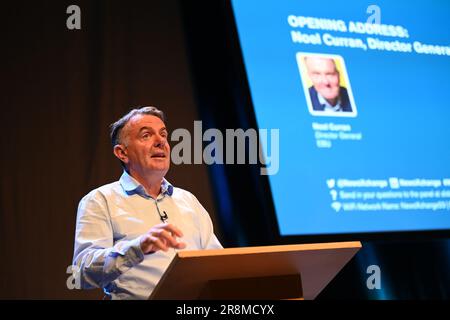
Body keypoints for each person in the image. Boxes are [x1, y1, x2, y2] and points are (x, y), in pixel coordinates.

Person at [72, 106, 223, 299]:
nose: (161, 142)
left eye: (163, 135)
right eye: (146, 135)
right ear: (122, 153)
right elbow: (81, 272)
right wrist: (137, 247)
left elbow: (216, 266)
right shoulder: (100, 200)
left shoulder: (188, 200)